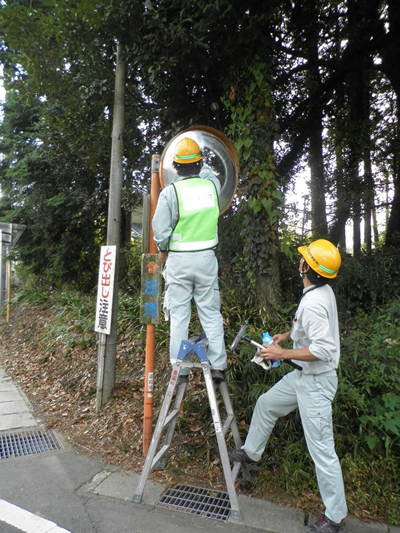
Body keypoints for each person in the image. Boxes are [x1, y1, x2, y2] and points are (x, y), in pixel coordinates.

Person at [229, 239, 347, 533]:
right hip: (303, 375)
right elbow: (307, 332)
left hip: (317, 382)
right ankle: (252, 453)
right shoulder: (320, 290)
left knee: (322, 451)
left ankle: (336, 517)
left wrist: (282, 354)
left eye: (303, 258)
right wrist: (285, 336)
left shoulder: (315, 304)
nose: (300, 261)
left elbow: (324, 349)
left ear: (307, 267)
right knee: (267, 404)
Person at [152, 137, 227, 383]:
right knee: (210, 312)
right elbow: (211, 175)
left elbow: (161, 231)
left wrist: (163, 249)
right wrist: (202, 162)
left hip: (179, 262)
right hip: (206, 260)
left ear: (176, 166)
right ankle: (217, 366)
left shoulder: (170, 192)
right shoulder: (212, 187)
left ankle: (180, 369)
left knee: (179, 315)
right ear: (199, 163)